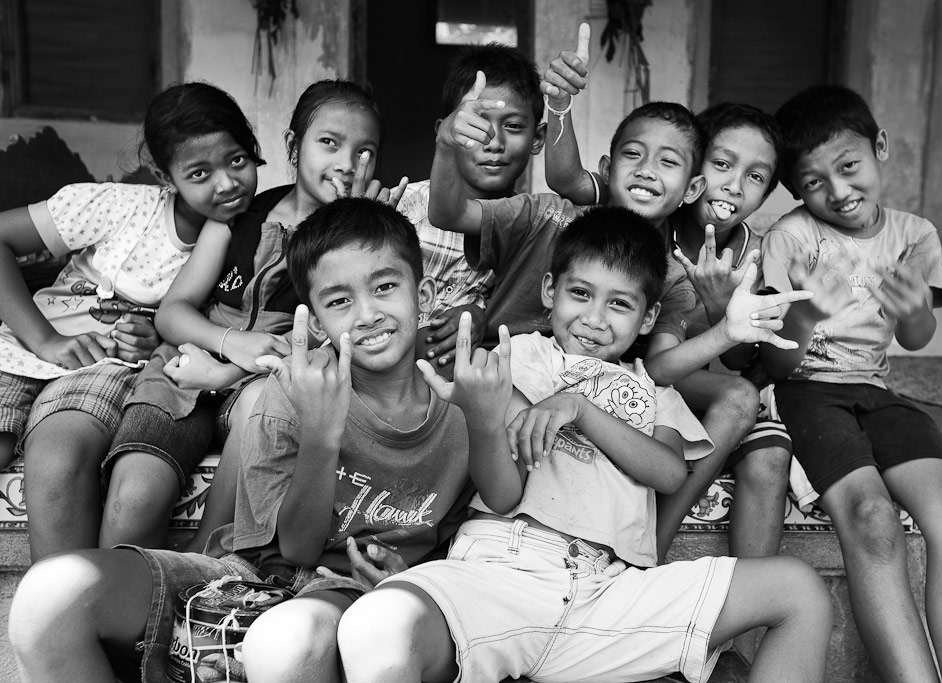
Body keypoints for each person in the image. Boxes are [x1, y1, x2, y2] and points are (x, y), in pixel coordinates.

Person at [337, 207, 830, 683]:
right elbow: (505, 490)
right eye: (580, 293)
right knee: (380, 624)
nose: (595, 318)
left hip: (610, 594)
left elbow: (669, 473)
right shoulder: (519, 358)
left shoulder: (653, 390)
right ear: (550, 291)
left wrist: (582, 409)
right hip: (503, 571)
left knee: (799, 590)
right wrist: (488, 419)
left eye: (619, 303)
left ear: (647, 317)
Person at [8, 197, 475, 683]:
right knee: (51, 598)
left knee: (294, 639)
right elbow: (288, 556)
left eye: (384, 287)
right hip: (249, 580)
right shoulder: (290, 393)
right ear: (314, 322)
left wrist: (409, 581)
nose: (367, 314)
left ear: (425, 295)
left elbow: (478, 550)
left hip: (353, 604)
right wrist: (322, 434)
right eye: (339, 301)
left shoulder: (464, 404)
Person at [759, 84, 942, 683]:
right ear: (795, 189)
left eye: (848, 167)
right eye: (814, 182)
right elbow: (773, 363)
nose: (839, 191)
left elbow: (915, 336)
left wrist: (916, 308)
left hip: (877, 390)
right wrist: (807, 315)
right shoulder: (788, 239)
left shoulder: (915, 235)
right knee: (871, 517)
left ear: (880, 147)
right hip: (806, 390)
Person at [101, 79, 405, 551]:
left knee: (257, 405)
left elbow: (340, 340)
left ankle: (205, 568)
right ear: (292, 145)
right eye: (329, 143)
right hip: (184, 371)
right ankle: (112, 596)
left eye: (365, 151)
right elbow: (173, 312)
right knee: (134, 498)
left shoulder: (354, 241)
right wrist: (228, 343)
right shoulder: (238, 217)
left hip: (262, 386)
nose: (347, 163)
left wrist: (352, 224)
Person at [538, 22, 786, 562]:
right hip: (580, 359)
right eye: (722, 165)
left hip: (641, 372)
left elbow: (669, 365)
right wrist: (559, 107)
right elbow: (563, 176)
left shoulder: (688, 267)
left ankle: (654, 543)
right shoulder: (615, 202)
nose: (649, 172)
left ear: (688, 184)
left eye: (671, 163)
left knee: (742, 401)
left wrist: (722, 315)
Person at [0, 82, 261, 561]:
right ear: (166, 176)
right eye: (200, 172)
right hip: (24, 343)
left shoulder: (259, 238)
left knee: (57, 460)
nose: (225, 183)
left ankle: (79, 613)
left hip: (105, 370)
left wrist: (155, 333)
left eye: (237, 161)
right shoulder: (117, 207)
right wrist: (45, 339)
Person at [396, 43, 545, 373]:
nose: (494, 142)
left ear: (538, 138)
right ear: (444, 130)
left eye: (514, 126)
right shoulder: (403, 205)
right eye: (476, 125)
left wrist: (481, 315)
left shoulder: (529, 226)